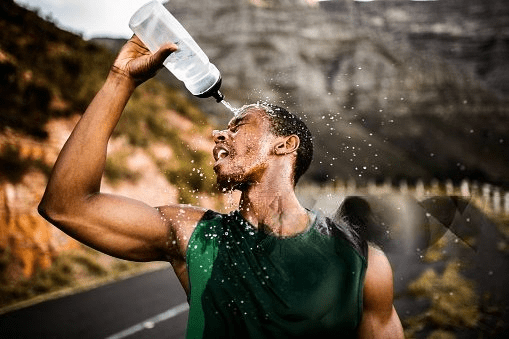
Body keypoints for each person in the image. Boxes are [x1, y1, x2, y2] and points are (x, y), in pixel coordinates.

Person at [38, 35, 404, 338]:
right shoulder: (193, 234)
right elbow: (67, 206)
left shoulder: (362, 264)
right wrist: (120, 79)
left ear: (284, 145)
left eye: (239, 125)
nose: (218, 134)